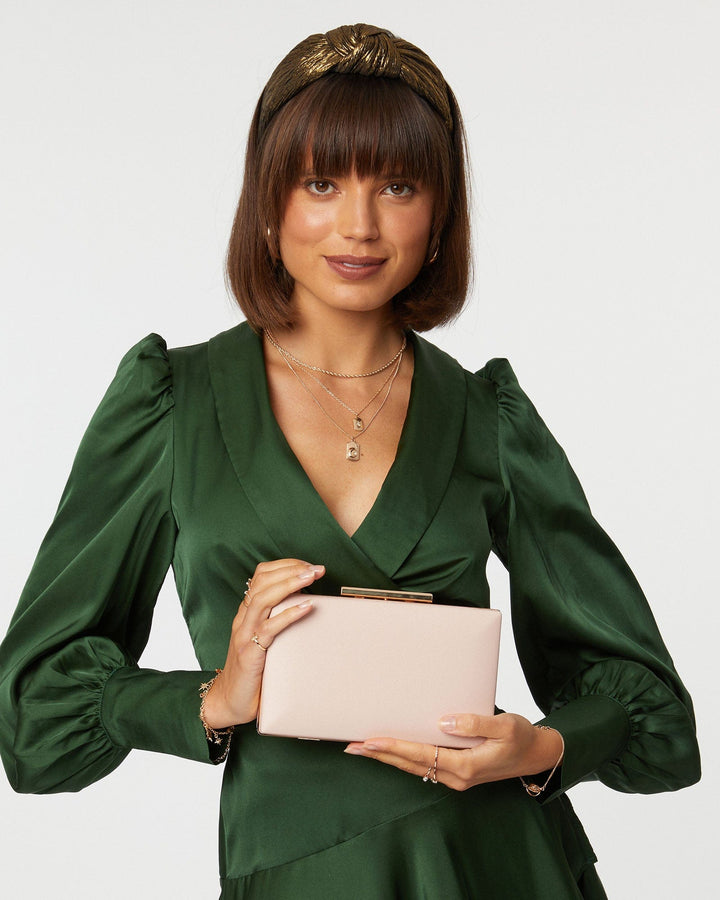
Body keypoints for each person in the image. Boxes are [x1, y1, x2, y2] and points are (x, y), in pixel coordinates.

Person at [0, 22, 700, 899]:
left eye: (398, 185)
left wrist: (541, 749)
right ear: (269, 201)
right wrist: (211, 700)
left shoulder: (488, 417)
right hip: (295, 870)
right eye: (321, 183)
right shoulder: (170, 405)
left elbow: (652, 709)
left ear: (440, 213)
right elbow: (35, 716)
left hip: (497, 863)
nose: (360, 226)